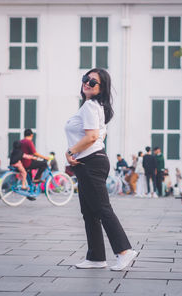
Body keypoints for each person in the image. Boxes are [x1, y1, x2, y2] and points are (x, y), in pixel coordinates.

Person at [65, 68, 137, 271]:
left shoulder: (90, 106)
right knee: (89, 212)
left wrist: (70, 152)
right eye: (86, 79)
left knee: (102, 208)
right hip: (90, 161)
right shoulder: (95, 106)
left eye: (93, 82)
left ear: (101, 87)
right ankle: (96, 257)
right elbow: (100, 135)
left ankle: (124, 251)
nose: (87, 82)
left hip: (91, 162)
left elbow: (92, 136)